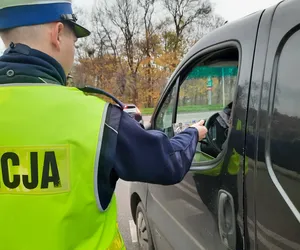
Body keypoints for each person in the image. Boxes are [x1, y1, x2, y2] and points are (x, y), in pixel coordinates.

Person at [0, 1, 208, 250]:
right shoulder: (96, 119)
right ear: (57, 34)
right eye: (74, 42)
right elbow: (167, 162)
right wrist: (194, 133)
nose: (74, 51)